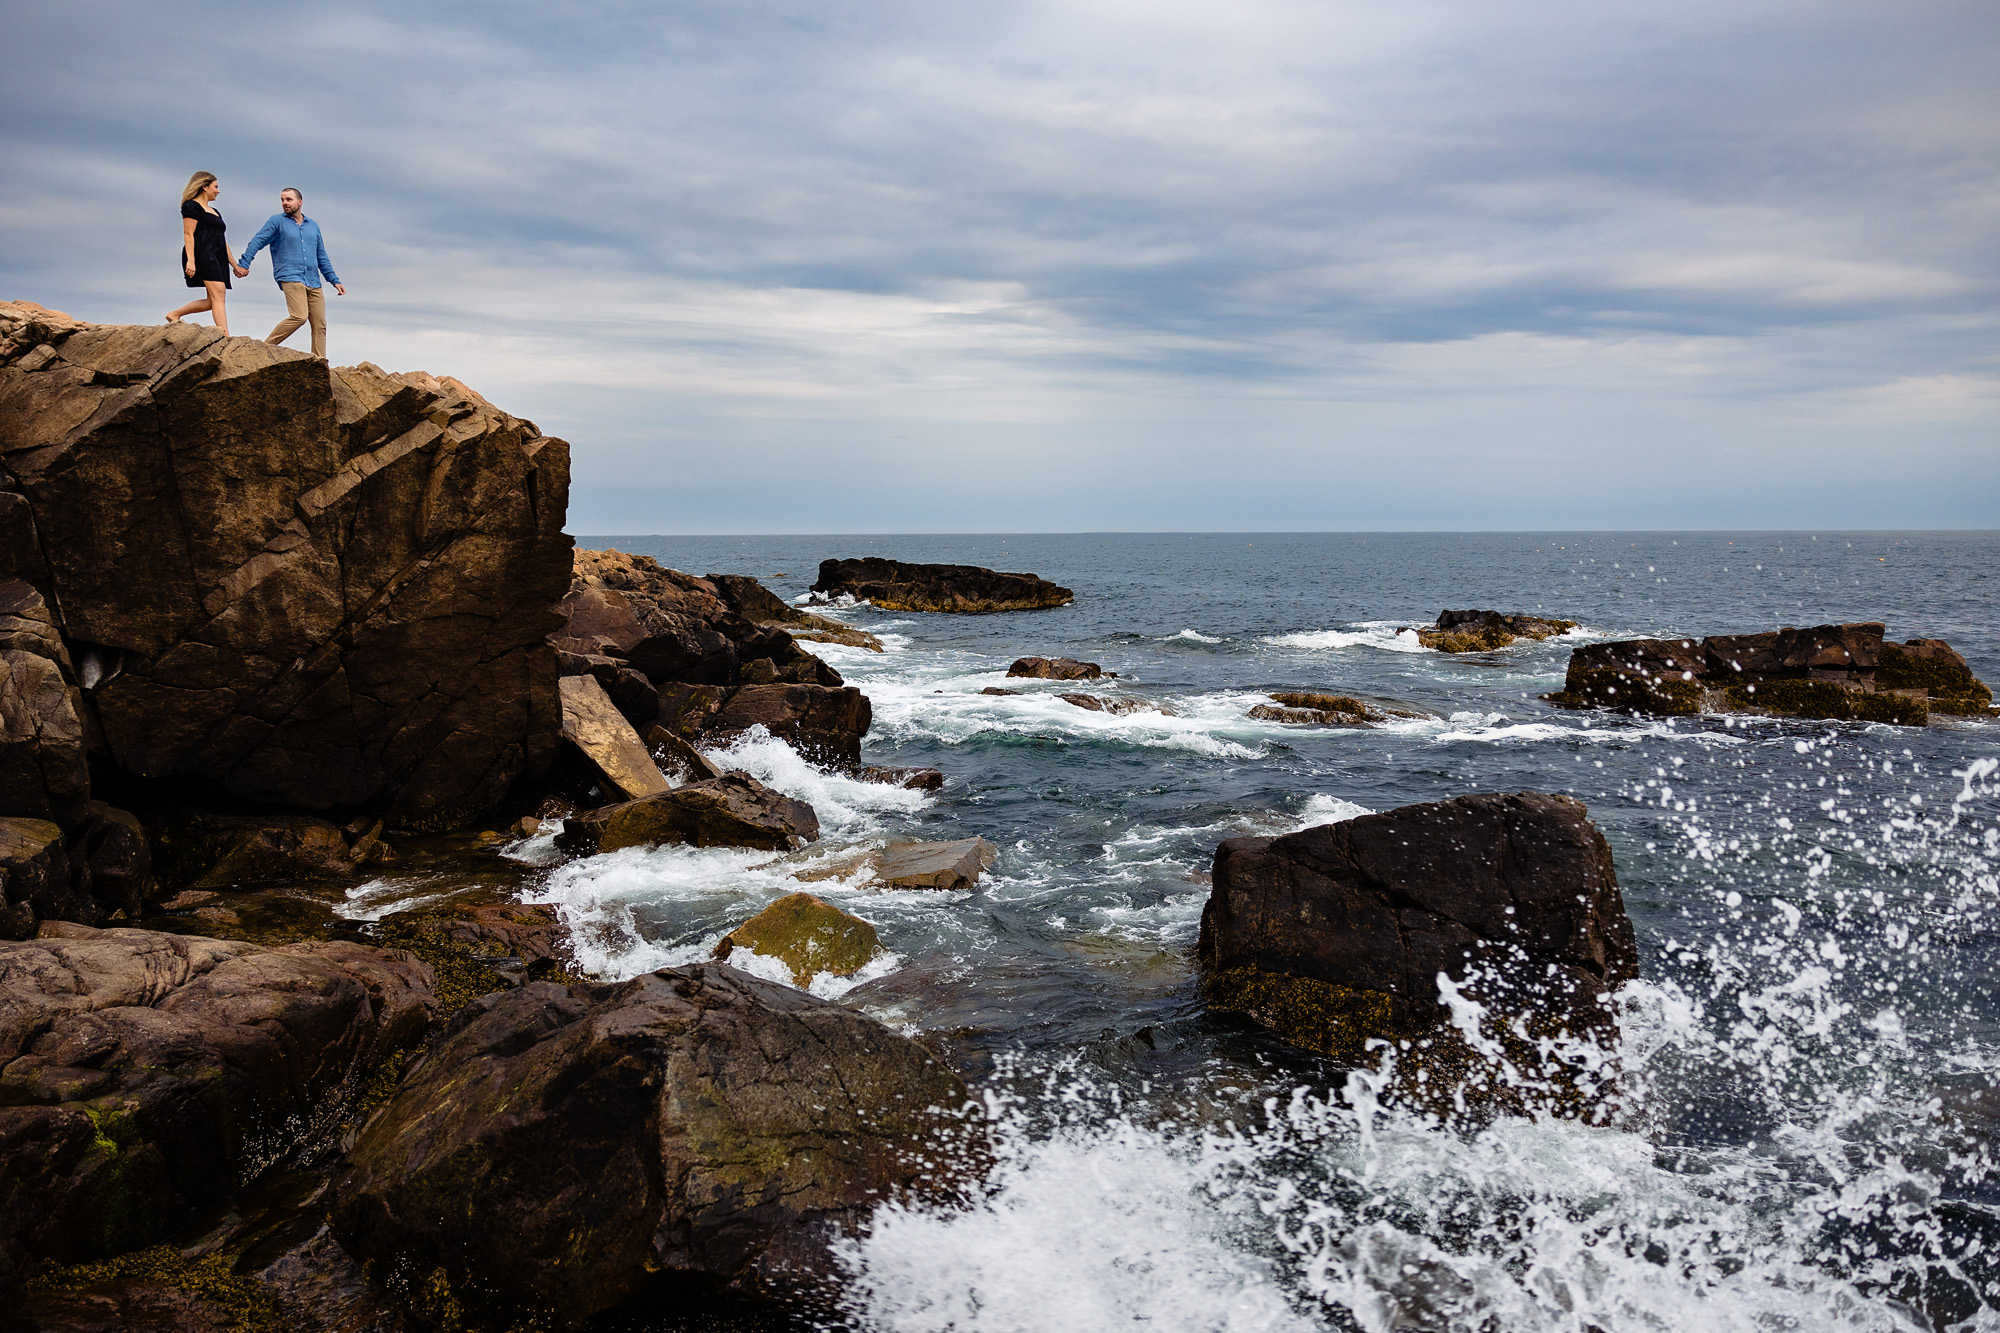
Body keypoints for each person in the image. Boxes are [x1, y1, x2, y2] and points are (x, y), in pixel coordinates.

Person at [235, 187, 345, 359]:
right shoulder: (276, 221)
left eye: (289, 199)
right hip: (290, 276)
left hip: (313, 280)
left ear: (299, 202)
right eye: (282, 200)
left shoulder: (313, 226)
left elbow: (321, 255)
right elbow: (257, 241)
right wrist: (244, 263)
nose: (285, 203)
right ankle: (264, 348)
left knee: (320, 324)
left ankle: (319, 362)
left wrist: (334, 280)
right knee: (299, 316)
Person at [165, 171, 241, 333]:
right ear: (204, 186)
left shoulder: (215, 212)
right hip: (202, 254)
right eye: (216, 187)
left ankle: (174, 314)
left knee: (212, 300)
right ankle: (225, 336)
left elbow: (222, 240)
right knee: (219, 295)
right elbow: (188, 234)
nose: (218, 191)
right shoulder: (191, 206)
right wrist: (191, 260)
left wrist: (234, 265)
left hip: (218, 256)